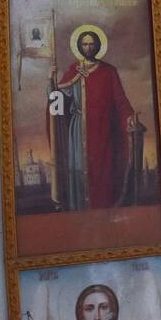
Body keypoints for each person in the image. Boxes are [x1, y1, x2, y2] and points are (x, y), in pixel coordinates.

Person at [50, 27, 138, 211]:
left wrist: (129, 115)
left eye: (91, 44)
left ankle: (102, 209)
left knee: (102, 169)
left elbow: (120, 100)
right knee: (78, 170)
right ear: (79, 46)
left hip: (103, 131)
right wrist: (51, 81)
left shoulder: (109, 71)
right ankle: (78, 211)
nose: (88, 47)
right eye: (84, 44)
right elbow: (58, 99)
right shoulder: (74, 70)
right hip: (77, 132)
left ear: (98, 46)